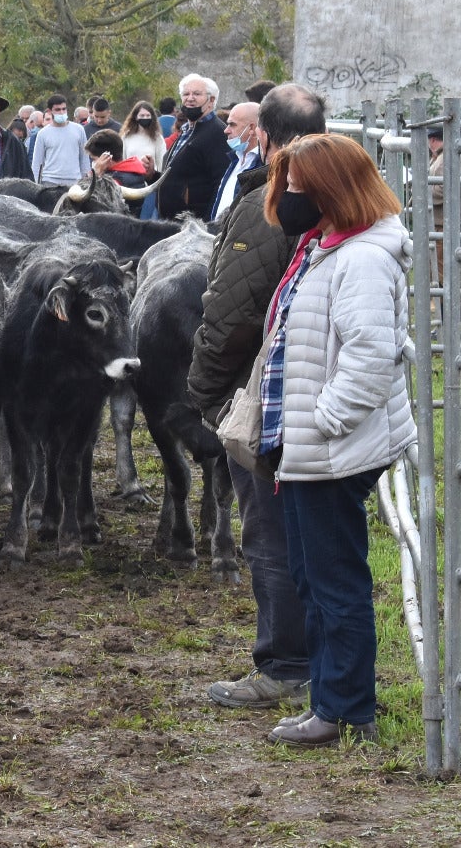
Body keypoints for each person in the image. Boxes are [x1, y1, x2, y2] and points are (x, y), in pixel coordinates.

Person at [255, 132, 414, 748]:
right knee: (315, 575)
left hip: (329, 448)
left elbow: (371, 357)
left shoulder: (362, 259)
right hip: (308, 446)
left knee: (333, 579)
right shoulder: (328, 247)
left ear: (330, 190)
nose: (288, 197)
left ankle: (344, 708)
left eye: (296, 187)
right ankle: (331, 698)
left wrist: (324, 420)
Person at [189, 82, 328, 716]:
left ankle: (285, 664)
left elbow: (231, 308)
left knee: (267, 531)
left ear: (266, 137)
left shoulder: (271, 200)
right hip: (321, 386)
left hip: (267, 390)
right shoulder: (344, 188)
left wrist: (206, 389)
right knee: (308, 528)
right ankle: (312, 656)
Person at [159, 73, 235, 220]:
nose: (190, 98)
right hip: (172, 224)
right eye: (186, 94)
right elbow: (177, 176)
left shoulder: (217, 132)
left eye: (197, 94)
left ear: (211, 100)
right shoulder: (187, 130)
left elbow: (220, 182)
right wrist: (152, 175)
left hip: (194, 226)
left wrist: (208, 224)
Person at [211, 101, 262, 220]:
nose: (226, 130)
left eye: (232, 125)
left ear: (252, 128)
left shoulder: (262, 165)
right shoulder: (235, 159)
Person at [84, 130, 149, 215]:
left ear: (106, 158)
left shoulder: (115, 180)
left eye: (94, 159)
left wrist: (94, 175)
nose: (93, 163)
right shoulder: (134, 172)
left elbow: (91, 205)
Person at [32, 93, 89, 186]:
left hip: (74, 181)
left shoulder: (79, 130)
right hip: (50, 181)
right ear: (50, 111)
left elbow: (84, 158)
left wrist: (84, 180)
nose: (61, 112)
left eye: (64, 109)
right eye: (58, 110)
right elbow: (37, 162)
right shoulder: (43, 133)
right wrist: (35, 183)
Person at [120, 100, 167, 177]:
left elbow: (161, 162)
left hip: (150, 180)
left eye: (148, 115)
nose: (145, 118)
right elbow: (122, 160)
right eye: (142, 116)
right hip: (130, 179)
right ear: (136, 117)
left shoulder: (158, 138)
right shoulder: (126, 137)